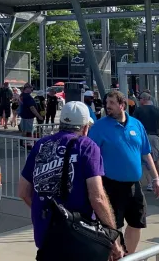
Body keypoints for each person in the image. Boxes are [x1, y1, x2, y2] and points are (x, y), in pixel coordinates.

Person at [18, 101, 123, 259]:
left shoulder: (40, 145)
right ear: (85, 127)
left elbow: (23, 192)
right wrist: (113, 237)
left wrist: (50, 212)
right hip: (79, 239)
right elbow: (98, 197)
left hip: (46, 237)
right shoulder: (86, 146)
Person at [89, 90, 159, 255]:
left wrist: (156, 178)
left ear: (122, 105)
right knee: (113, 225)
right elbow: (90, 155)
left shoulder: (136, 124)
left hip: (134, 185)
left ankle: (128, 255)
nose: (108, 107)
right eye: (107, 103)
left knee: (137, 223)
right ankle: (114, 254)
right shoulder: (100, 127)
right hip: (110, 185)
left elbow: (146, 152)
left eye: (112, 103)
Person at [131, 92, 159, 192]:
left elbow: (133, 124)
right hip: (154, 136)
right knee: (156, 160)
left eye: (140, 99)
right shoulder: (157, 110)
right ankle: (157, 180)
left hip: (142, 137)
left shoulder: (138, 110)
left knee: (145, 160)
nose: (139, 101)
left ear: (144, 99)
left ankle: (150, 183)